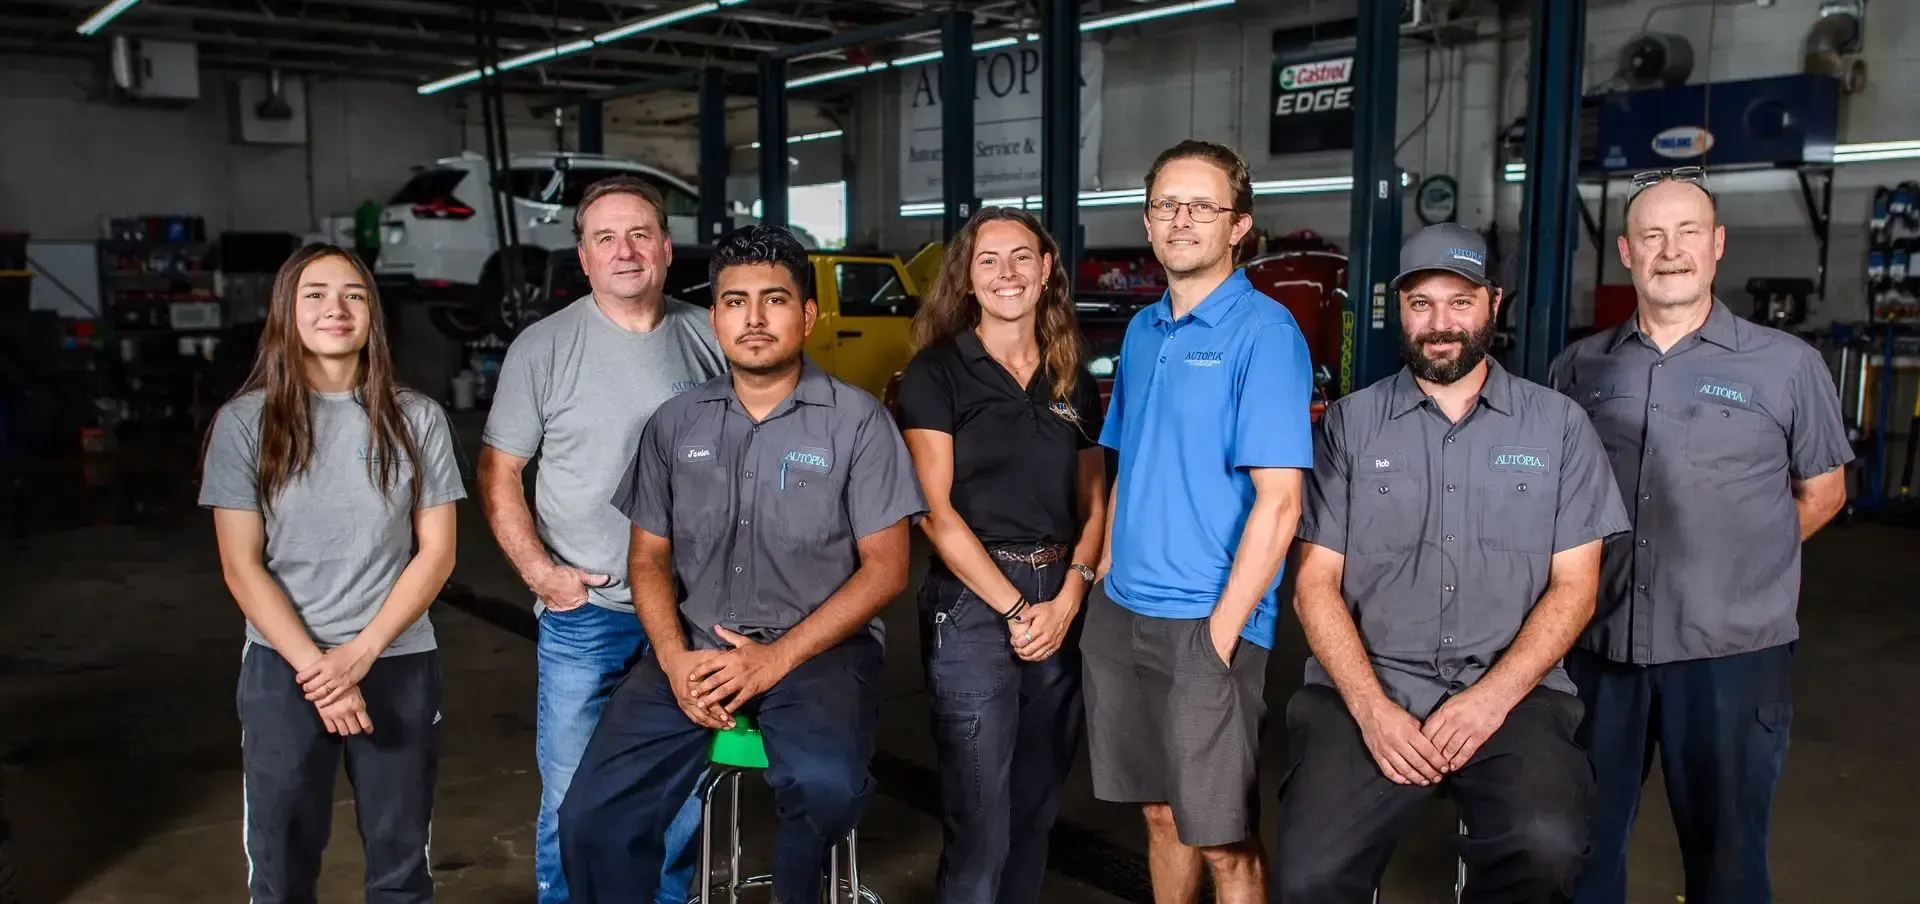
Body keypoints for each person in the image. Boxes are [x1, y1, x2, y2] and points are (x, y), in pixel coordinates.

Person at [557, 225, 926, 904]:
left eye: (774, 300)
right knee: (589, 818)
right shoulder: (674, 425)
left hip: (820, 654)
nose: (753, 319)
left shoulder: (859, 422)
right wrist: (672, 661)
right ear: (716, 315)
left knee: (825, 786)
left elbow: (886, 570)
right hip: (692, 651)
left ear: (807, 316)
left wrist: (773, 659)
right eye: (734, 302)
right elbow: (648, 557)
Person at [1277, 224, 1630, 903]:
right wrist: (1372, 709)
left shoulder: (1557, 427)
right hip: (1370, 690)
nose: (1441, 324)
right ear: (1398, 309)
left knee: (1546, 848)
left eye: (1460, 301)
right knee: (1309, 877)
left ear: (1493, 303)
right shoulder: (1349, 426)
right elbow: (1314, 585)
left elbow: (1577, 587)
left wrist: (1490, 700)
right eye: (1421, 303)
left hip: (1512, 693)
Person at [1549, 170, 1852, 904]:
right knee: (1577, 850)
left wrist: (1739, 567)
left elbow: (1823, 492)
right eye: (1652, 234)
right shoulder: (1578, 367)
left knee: (1727, 859)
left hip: (1730, 657)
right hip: (1598, 649)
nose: (1671, 250)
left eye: (1688, 233)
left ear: (1717, 246)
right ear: (1626, 250)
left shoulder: (1786, 366)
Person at [477, 176, 723, 904]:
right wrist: (540, 573)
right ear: (582, 257)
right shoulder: (543, 347)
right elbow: (500, 471)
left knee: (677, 792)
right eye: (605, 238)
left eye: (640, 233)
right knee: (572, 794)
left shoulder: (709, 334)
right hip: (588, 614)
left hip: (688, 614)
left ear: (667, 248)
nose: (625, 251)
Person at [1083, 139, 1314, 904]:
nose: (1181, 219)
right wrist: (1107, 573)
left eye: (1201, 206)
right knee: (1158, 813)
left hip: (1205, 620)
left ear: (1238, 225)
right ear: (1149, 223)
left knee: (1221, 839)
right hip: (1124, 614)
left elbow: (1281, 504)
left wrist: (1221, 634)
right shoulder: (1144, 333)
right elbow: (1125, 459)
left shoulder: (1266, 333)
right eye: (1166, 205)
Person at [201, 244, 465, 903]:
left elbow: (436, 553)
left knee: (401, 865)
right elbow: (241, 565)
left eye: (352, 293)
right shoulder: (244, 424)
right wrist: (323, 675)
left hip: (397, 662)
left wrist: (361, 653)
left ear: (372, 314)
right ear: (285, 313)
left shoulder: (418, 419)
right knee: (281, 863)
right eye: (314, 293)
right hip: (283, 670)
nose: (335, 308)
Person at [895, 207, 1108, 904]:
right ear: (966, 280)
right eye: (988, 260)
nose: (1007, 273)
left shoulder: (1071, 374)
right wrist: (1018, 607)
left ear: (1047, 270)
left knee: (1036, 806)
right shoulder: (938, 373)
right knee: (980, 815)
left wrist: (1070, 594)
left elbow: (1094, 500)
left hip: (1061, 594)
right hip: (974, 599)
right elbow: (934, 513)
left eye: (1022, 257)